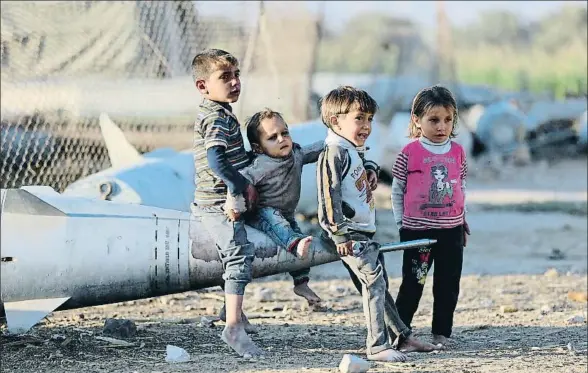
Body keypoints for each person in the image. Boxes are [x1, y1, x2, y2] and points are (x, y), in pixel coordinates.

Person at [317, 86, 437, 362]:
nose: (367, 126)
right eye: (360, 118)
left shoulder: (350, 147)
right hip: (348, 234)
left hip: (362, 231)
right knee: (373, 283)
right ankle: (377, 345)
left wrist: (370, 169)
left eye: (370, 119)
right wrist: (339, 236)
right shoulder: (334, 152)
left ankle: (402, 337)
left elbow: (359, 164)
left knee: (378, 283)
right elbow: (328, 197)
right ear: (336, 121)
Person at [189, 48, 263, 358]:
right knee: (237, 252)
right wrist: (241, 184)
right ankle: (232, 326)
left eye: (237, 76)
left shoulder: (221, 111)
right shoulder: (215, 116)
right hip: (216, 202)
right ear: (203, 86)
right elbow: (216, 161)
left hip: (223, 197)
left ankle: (231, 310)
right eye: (225, 77)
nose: (234, 83)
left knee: (243, 248)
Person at [391, 85, 470, 348]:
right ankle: (400, 334)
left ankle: (441, 334)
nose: (441, 126)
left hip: (451, 231)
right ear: (417, 120)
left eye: (448, 120)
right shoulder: (409, 153)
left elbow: (461, 186)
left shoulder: (457, 151)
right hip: (418, 233)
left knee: (448, 285)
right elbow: (397, 189)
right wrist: (402, 223)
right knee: (413, 283)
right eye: (433, 120)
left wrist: (462, 220)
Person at [231, 108, 326, 310]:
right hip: (262, 213)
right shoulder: (261, 164)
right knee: (284, 228)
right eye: (272, 137)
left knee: (299, 241)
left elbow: (314, 150)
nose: (282, 139)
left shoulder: (296, 154)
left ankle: (302, 284)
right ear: (258, 147)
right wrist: (234, 201)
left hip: (286, 213)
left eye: (285, 132)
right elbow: (241, 179)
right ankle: (293, 242)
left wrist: (334, 143)